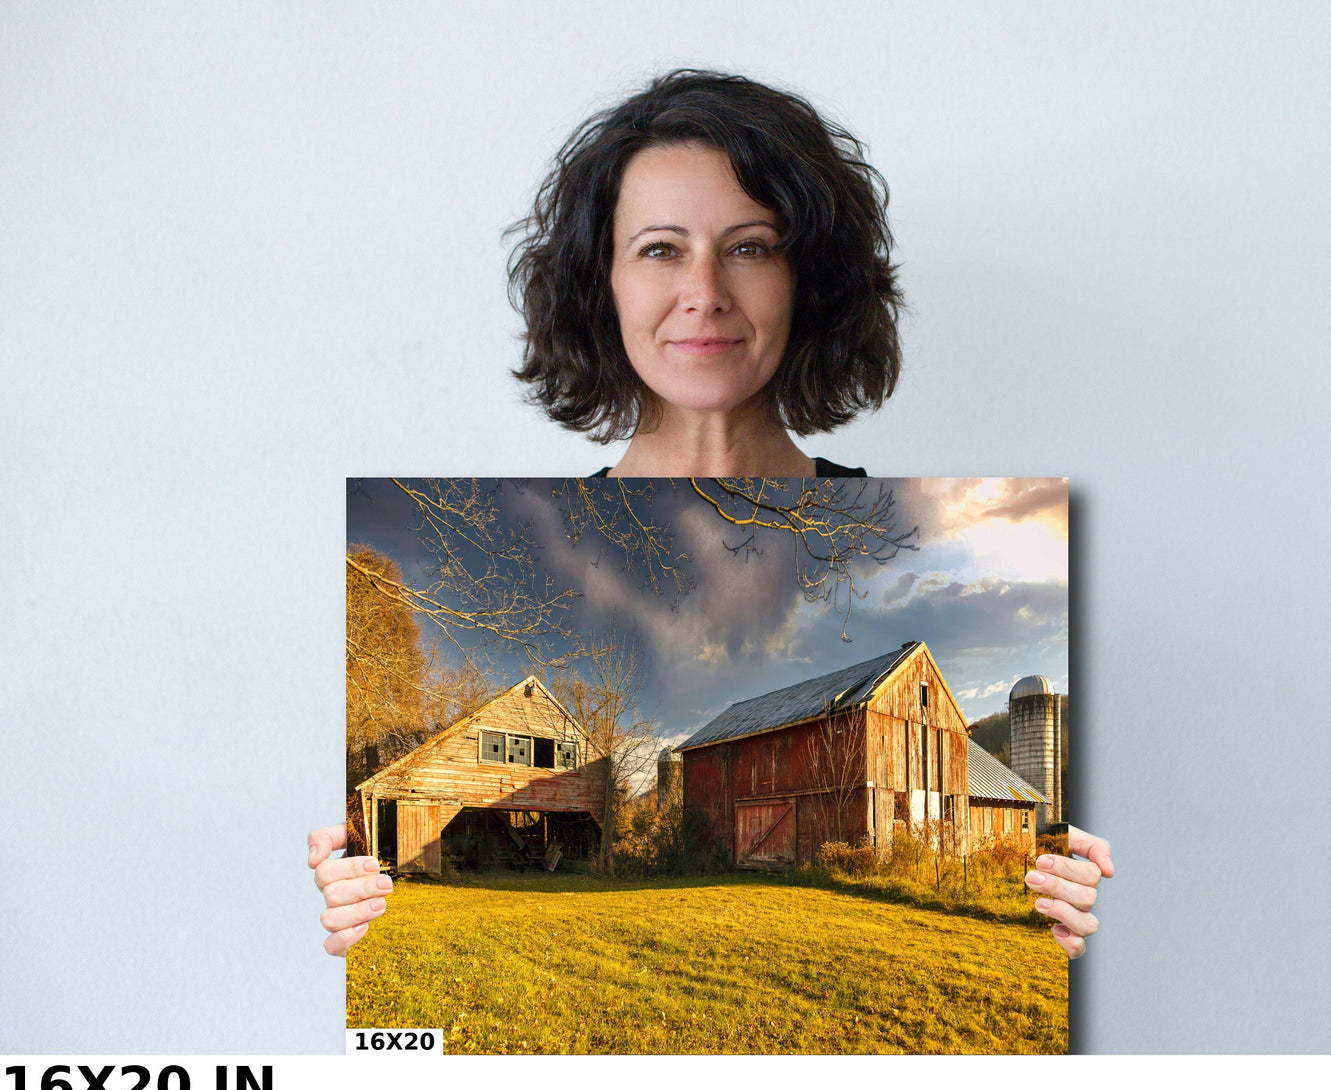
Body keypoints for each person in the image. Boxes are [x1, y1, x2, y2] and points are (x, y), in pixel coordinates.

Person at [313, 69, 1113, 958]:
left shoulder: (917, 515)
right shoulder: (538, 521)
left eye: (750, 246)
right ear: (600, 282)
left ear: (809, 281)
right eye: (659, 248)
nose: (705, 292)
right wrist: (342, 920)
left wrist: (1078, 925)